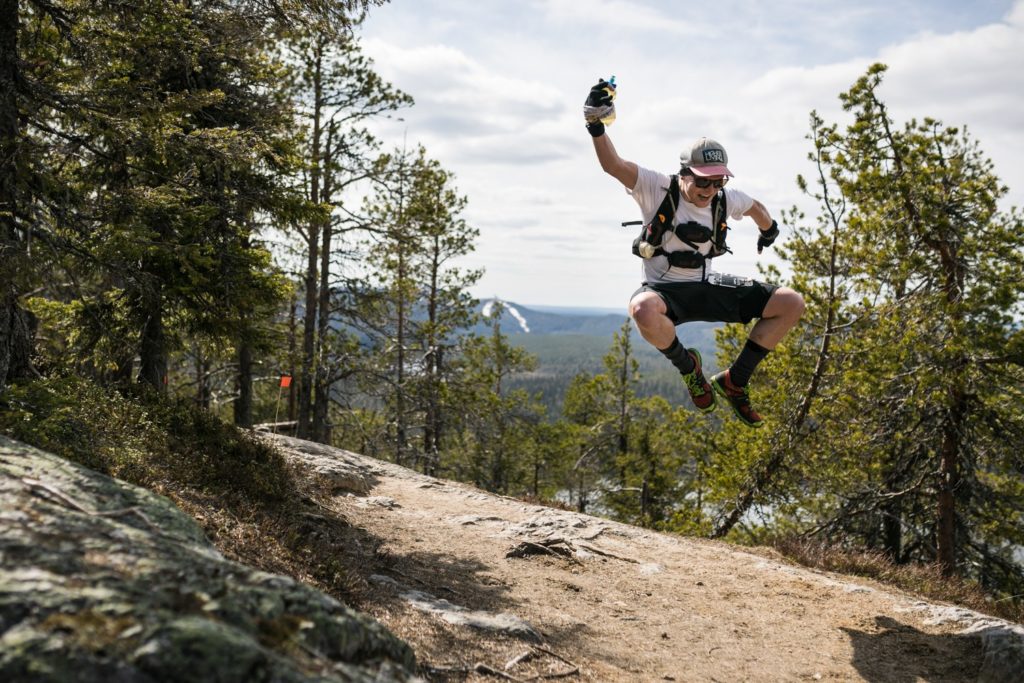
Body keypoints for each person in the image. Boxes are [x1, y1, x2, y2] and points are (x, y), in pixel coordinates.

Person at [583, 78, 804, 428]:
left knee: (791, 303)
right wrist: (595, 125)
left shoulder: (724, 199)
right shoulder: (656, 187)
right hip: (665, 291)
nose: (710, 189)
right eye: (703, 181)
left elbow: (755, 206)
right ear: (684, 173)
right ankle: (690, 369)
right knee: (642, 309)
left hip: (706, 283)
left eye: (718, 182)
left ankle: (735, 381)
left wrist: (769, 229)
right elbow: (613, 165)